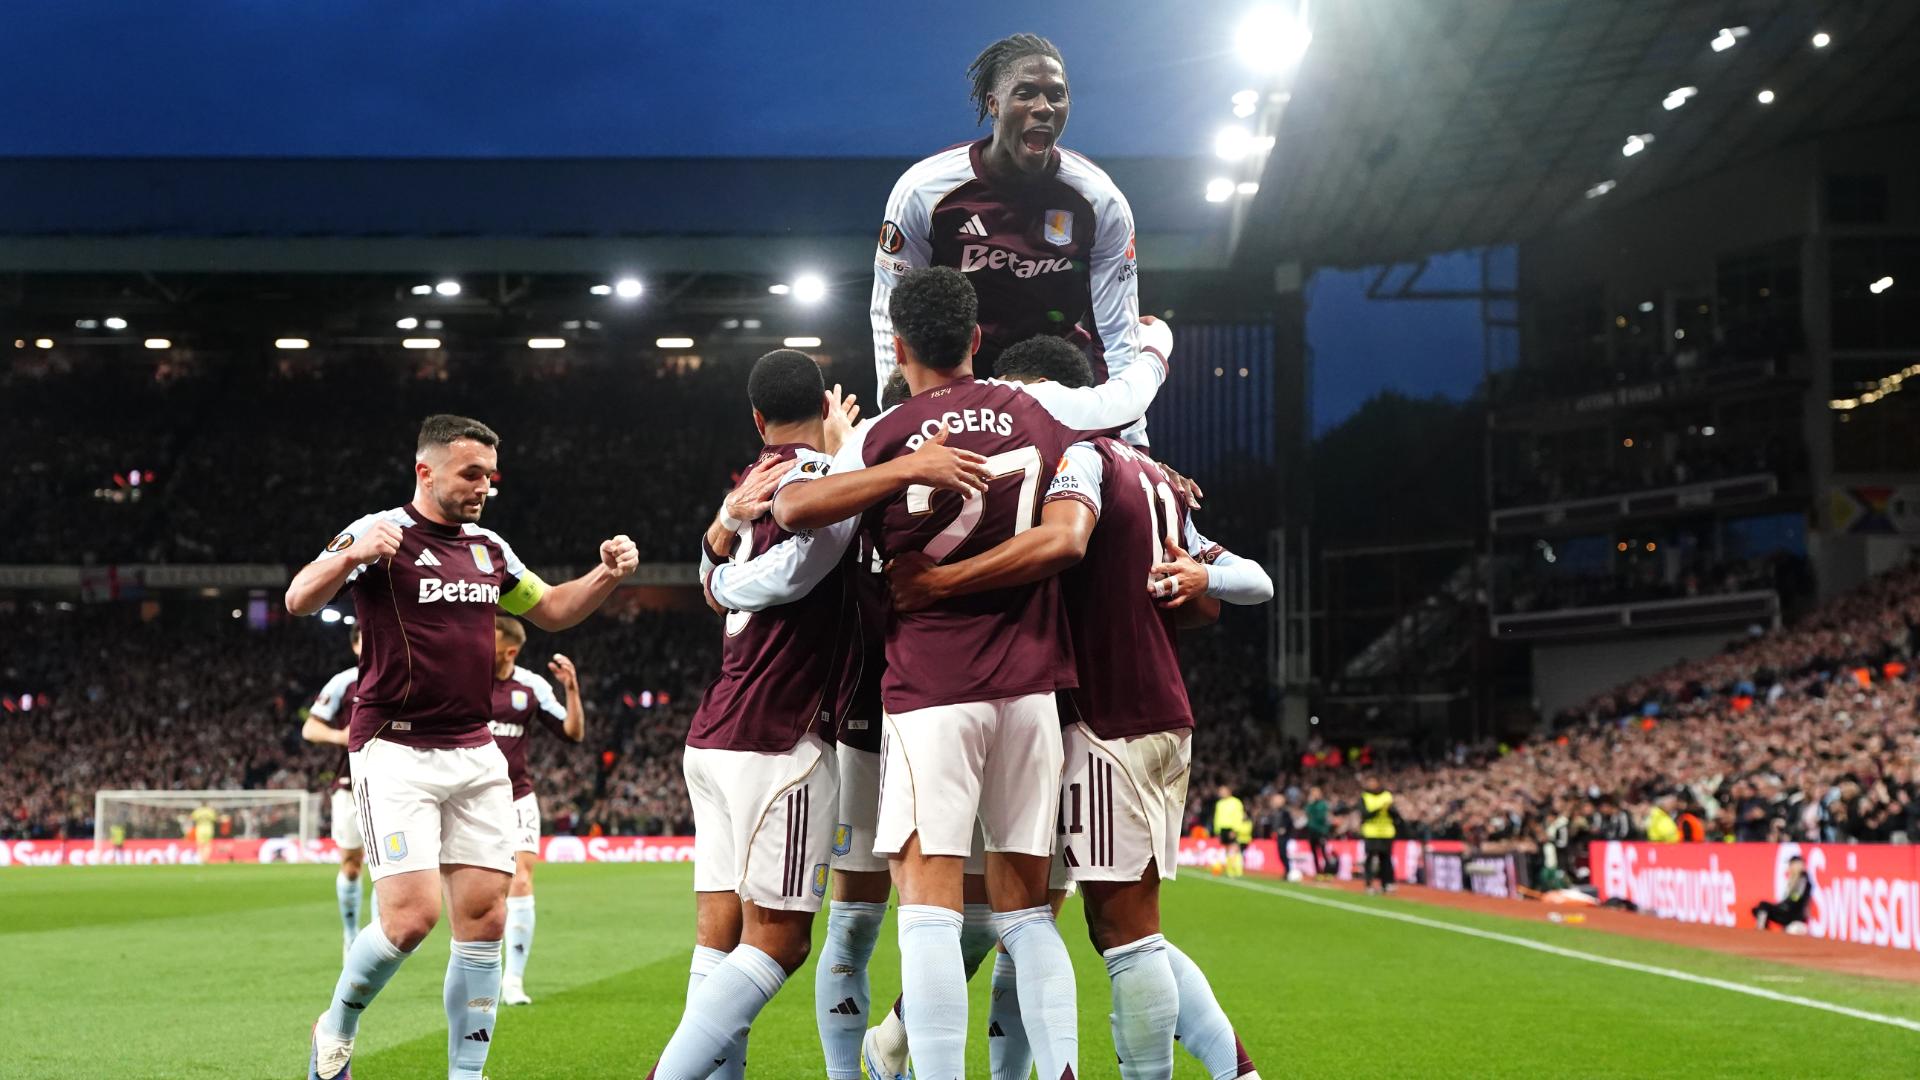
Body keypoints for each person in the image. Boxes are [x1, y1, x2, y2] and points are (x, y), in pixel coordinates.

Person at [774, 267, 1172, 1080]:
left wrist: (902, 470)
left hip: (933, 690)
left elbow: (793, 508)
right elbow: (1121, 414)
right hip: (1032, 690)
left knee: (929, 911)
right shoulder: (1040, 412)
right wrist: (1156, 343)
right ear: (978, 338)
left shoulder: (887, 431)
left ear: (898, 346)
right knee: (1025, 915)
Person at [888, 331, 1272, 1080]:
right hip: (1153, 712)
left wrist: (936, 584)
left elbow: (1063, 544)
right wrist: (1201, 578)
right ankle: (916, 1044)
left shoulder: (1082, 463)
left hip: (1101, 719)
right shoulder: (1156, 477)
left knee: (1121, 932)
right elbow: (1227, 592)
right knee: (1031, 916)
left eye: (1022, 401)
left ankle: (1231, 1073)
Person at [291, 413, 637, 1080]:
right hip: (394, 750)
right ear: (425, 471)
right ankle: (335, 1026)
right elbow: (300, 597)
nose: (484, 487)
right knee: (410, 920)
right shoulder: (377, 531)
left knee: (484, 921)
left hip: (476, 754)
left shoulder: (489, 549)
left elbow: (553, 609)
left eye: (491, 476)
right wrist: (350, 556)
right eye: (471, 473)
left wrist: (605, 575)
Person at [648, 350, 868, 1080]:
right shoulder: (822, 481)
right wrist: (846, 457)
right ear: (826, 407)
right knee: (780, 942)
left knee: (719, 939)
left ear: (756, 417)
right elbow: (800, 569)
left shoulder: (750, 481)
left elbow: (715, 571)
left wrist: (716, 559)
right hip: (779, 736)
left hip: (716, 733)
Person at [872, 34, 1151, 448]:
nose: (1044, 107)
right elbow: (892, 311)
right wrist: (893, 421)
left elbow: (1117, 333)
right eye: (1026, 93)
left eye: (1057, 95)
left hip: (1053, 378)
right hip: (957, 377)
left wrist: (1133, 445)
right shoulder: (923, 191)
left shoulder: (1100, 201)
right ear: (994, 104)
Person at [486, 615, 585, 1008]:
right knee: (480, 890)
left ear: (510, 650)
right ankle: (480, 968)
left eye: (490, 640)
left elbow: (572, 733)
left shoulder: (531, 686)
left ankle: (513, 979)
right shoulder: (463, 678)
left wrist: (571, 689)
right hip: (469, 799)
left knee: (521, 880)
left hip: (516, 797)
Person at [303, 624, 366, 960]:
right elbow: (310, 728)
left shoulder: (407, 676)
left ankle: (388, 935)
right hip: (350, 784)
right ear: (355, 646)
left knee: (395, 867)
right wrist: (341, 736)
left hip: (399, 784)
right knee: (352, 865)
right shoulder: (344, 682)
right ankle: (351, 935)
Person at [1752, 856, 1815, 932]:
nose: (1789, 867)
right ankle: (1762, 929)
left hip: (1794, 916)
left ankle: (1761, 930)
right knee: (1758, 910)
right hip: (1790, 914)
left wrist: (1782, 906)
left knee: (1764, 906)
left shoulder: (1802, 879)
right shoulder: (1796, 879)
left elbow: (1795, 898)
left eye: (1791, 864)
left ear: (1798, 865)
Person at [1358, 775, 1396, 894]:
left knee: (1385, 859)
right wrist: (1379, 809)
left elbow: (1395, 813)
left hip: (1386, 832)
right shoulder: (1365, 797)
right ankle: (1369, 883)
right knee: (1370, 858)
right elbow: (1364, 814)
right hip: (1371, 832)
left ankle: (1387, 883)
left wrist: (1390, 809)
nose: (1372, 785)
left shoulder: (1387, 795)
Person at [1212, 785, 1250, 879]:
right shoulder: (1219, 803)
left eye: (1223, 791)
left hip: (1232, 828)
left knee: (1234, 849)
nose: (1221, 793)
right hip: (1222, 829)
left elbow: (1238, 816)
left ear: (1229, 791)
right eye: (1220, 791)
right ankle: (1230, 871)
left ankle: (1237, 871)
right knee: (1227, 850)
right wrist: (1217, 830)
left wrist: (1235, 829)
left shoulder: (1236, 802)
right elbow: (1217, 817)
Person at [1305, 786, 1332, 879]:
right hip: (1312, 831)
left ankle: (1327, 871)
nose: (1315, 795)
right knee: (1314, 852)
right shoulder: (1310, 804)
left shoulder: (1322, 804)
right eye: (1313, 793)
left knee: (1323, 852)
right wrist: (1311, 804)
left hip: (1321, 831)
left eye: (1316, 793)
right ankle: (1318, 872)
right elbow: (1307, 813)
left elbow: (1321, 817)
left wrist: (1325, 831)